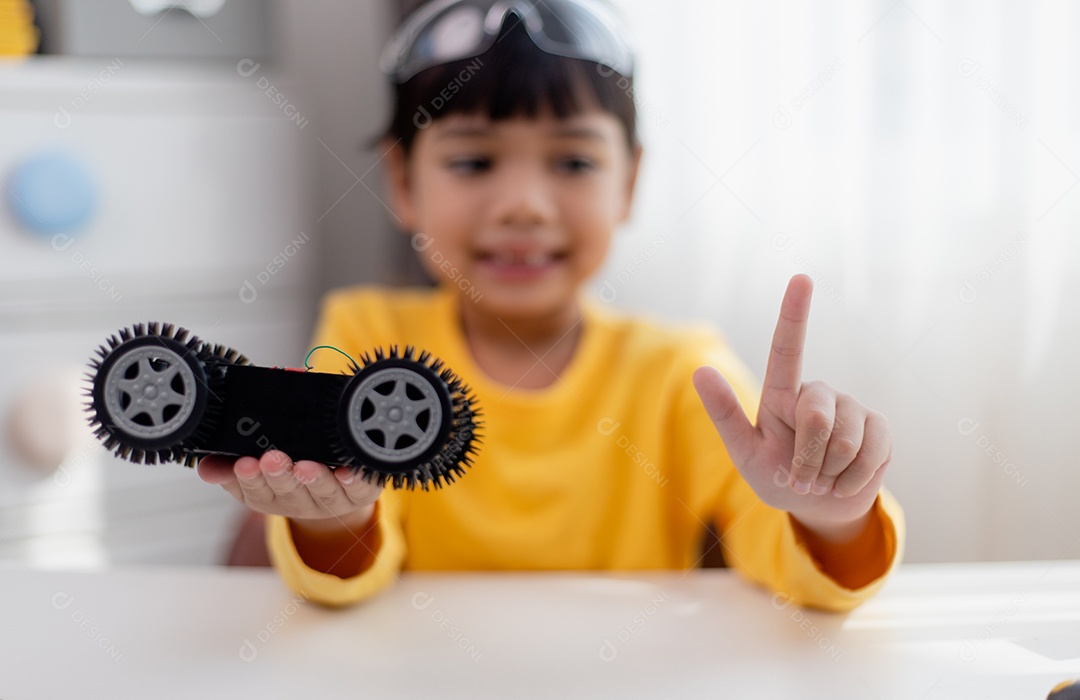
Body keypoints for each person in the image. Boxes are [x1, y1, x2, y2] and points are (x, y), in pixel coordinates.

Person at [198, 0, 904, 610]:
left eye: (572, 163)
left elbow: (782, 557)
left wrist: (831, 517)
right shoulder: (367, 333)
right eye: (473, 162)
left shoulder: (679, 372)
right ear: (402, 181)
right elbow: (353, 567)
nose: (524, 208)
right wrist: (331, 520)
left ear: (629, 182)